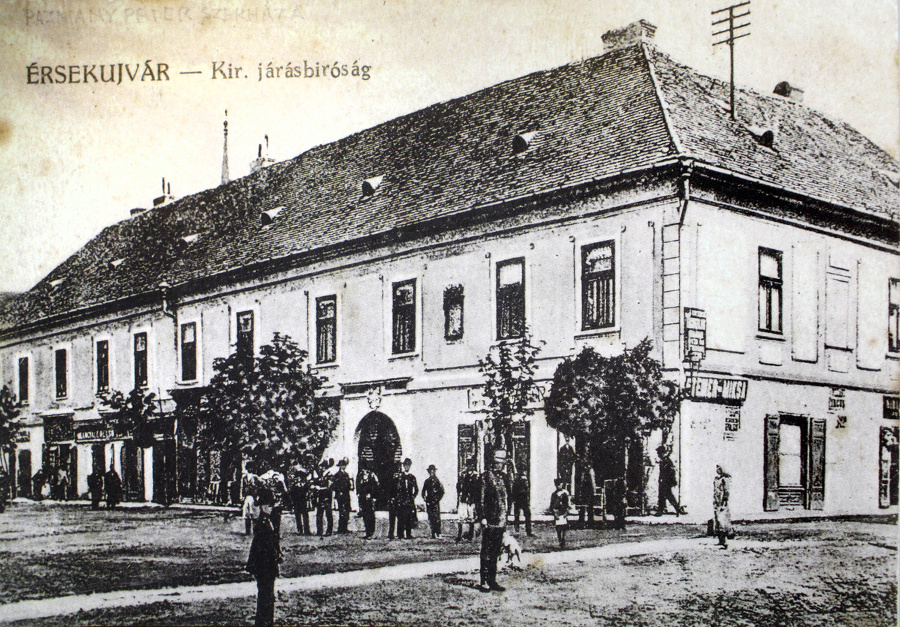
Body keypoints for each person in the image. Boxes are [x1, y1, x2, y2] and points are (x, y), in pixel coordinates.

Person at [246, 488, 283, 627]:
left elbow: (275, 540)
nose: (270, 508)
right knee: (265, 594)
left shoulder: (270, 520)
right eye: (267, 505)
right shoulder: (262, 523)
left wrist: (278, 552)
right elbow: (261, 547)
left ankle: (267, 621)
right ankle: (263, 622)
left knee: (268, 594)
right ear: (261, 506)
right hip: (263, 564)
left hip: (269, 563)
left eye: (271, 505)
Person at [477, 449, 509, 592]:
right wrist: (482, 517)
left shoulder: (504, 478)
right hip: (489, 520)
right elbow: (481, 499)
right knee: (487, 551)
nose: (500, 466)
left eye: (501, 463)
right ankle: (484, 581)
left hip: (501, 520)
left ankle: (492, 580)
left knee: (496, 551)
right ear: (492, 463)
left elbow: (506, 499)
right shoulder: (486, 477)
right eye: (497, 463)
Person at [656, 446, 684, 516]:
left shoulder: (667, 461)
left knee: (665, 496)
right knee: (666, 496)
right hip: (664, 482)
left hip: (666, 482)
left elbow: (671, 472)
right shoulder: (664, 461)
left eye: (659, 453)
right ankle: (677, 509)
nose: (658, 455)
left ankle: (661, 511)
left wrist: (671, 481)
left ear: (663, 453)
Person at [396, 458, 418, 539]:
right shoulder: (400, 477)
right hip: (401, 500)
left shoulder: (412, 477)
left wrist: (412, 497)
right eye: (405, 465)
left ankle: (408, 534)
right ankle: (400, 534)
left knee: (409, 517)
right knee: (401, 517)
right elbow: (397, 489)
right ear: (403, 466)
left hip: (409, 500)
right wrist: (399, 498)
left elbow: (416, 489)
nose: (406, 467)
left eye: (408, 465)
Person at [422, 464, 445, 538]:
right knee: (431, 517)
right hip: (429, 502)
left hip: (435, 502)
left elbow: (442, 491)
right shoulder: (427, 481)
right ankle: (433, 533)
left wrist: (437, 499)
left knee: (437, 517)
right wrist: (425, 499)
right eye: (430, 471)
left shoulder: (437, 481)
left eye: (433, 471)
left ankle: (438, 532)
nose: (432, 473)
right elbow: (423, 492)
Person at [332, 458, 354, 534]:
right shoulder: (337, 475)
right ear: (340, 466)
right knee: (342, 511)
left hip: (346, 495)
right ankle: (341, 528)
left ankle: (345, 527)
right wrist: (339, 491)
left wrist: (350, 486)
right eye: (342, 465)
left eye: (344, 465)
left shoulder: (346, 474)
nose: (344, 467)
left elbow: (348, 484)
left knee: (347, 511)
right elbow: (334, 485)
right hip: (340, 495)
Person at [713, 465, 732, 549]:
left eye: (719, 468)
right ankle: (720, 540)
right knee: (717, 520)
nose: (717, 470)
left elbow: (726, 491)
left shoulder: (725, 479)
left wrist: (725, 500)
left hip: (722, 502)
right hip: (717, 501)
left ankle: (725, 541)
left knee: (722, 520)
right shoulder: (717, 479)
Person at [357, 468, 379, 539]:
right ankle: (367, 532)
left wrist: (372, 495)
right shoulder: (361, 479)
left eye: (366, 473)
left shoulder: (372, 479)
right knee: (365, 516)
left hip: (370, 500)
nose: (364, 475)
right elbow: (359, 488)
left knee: (371, 516)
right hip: (363, 500)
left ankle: (371, 532)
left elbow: (375, 488)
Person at [456, 468, 477, 542]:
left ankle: (470, 535)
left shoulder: (475, 478)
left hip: (471, 501)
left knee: (471, 518)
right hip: (464, 500)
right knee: (461, 518)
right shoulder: (463, 478)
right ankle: (459, 535)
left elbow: (475, 490)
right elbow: (459, 488)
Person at [549, 478, 571, 549]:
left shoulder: (565, 493)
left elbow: (567, 503)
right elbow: (552, 505)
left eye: (561, 485)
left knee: (564, 527)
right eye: (558, 485)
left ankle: (563, 539)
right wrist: (554, 512)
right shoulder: (554, 494)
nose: (560, 486)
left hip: (563, 511)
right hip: (557, 512)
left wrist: (566, 512)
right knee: (558, 527)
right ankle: (560, 540)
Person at [288, 471, 311, 535]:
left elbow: (307, 491)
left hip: (303, 501)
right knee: (298, 516)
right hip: (297, 501)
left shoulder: (306, 484)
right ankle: (300, 530)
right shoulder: (294, 485)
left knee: (305, 516)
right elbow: (291, 493)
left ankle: (306, 530)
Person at [511, 470, 533, 536]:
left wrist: (528, 501)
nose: (525, 477)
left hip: (525, 501)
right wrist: (514, 500)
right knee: (517, 516)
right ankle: (516, 531)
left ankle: (528, 531)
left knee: (528, 515)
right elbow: (513, 491)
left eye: (525, 476)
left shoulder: (526, 483)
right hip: (518, 501)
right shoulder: (516, 483)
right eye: (523, 475)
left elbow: (527, 492)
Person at [314, 470, 333, 537]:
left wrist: (320, 488)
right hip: (320, 498)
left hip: (327, 497)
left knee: (328, 514)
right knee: (319, 515)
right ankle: (319, 531)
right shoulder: (318, 478)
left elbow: (330, 487)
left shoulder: (329, 477)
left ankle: (329, 531)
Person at [387, 462, 403, 539]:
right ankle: (391, 534)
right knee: (392, 519)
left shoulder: (402, 480)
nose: (397, 474)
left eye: (399, 472)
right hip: (393, 501)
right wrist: (391, 498)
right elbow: (389, 490)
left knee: (400, 518)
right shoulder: (391, 480)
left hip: (399, 501)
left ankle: (400, 534)